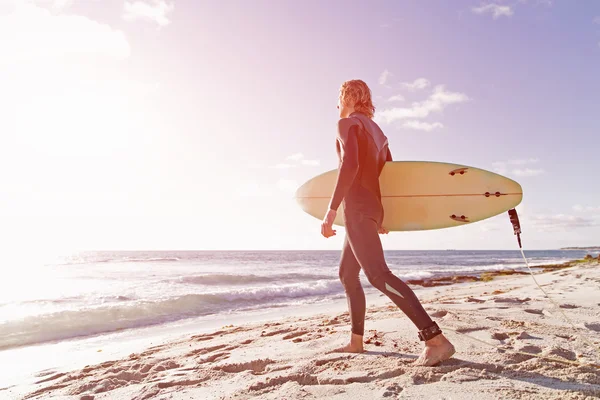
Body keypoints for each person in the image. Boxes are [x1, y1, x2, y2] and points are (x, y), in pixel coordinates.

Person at [320, 79, 455, 366]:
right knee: (347, 273)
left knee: (378, 275)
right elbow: (389, 176)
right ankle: (356, 342)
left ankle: (435, 339)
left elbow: (350, 165)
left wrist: (331, 210)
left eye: (339, 97)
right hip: (370, 207)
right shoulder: (380, 134)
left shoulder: (345, 124)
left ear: (349, 97)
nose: (337, 104)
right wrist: (383, 216)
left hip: (355, 206)